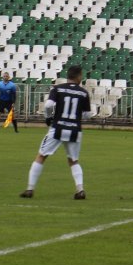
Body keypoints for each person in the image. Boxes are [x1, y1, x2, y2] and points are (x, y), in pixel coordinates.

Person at [20, 65, 93, 199]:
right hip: (75, 129)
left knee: (41, 156)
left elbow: (48, 105)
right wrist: (77, 115)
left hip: (58, 127)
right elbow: (88, 115)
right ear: (78, 76)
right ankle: (80, 190)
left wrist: (48, 117)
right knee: (73, 160)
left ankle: (30, 189)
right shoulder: (83, 93)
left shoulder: (57, 89)